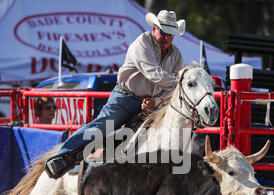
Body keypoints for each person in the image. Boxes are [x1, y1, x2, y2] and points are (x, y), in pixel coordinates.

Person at [44, 10, 185, 179]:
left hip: (152, 104)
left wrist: (156, 100)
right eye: (163, 32)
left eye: (171, 34)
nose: (167, 38)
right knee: (102, 126)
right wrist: (181, 83)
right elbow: (154, 74)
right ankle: (62, 156)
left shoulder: (176, 56)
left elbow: (170, 90)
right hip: (125, 97)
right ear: (154, 28)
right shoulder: (142, 43)